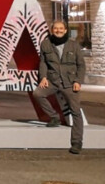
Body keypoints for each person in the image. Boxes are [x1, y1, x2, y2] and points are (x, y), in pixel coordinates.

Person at [33, 21, 86, 154]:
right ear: (52, 30)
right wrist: (43, 77)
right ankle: (54, 116)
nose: (58, 30)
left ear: (65, 30)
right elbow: (43, 62)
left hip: (70, 82)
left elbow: (81, 65)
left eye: (61, 28)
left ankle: (77, 142)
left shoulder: (73, 45)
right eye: (56, 28)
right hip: (53, 80)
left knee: (76, 112)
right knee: (38, 94)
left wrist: (78, 81)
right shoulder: (46, 43)